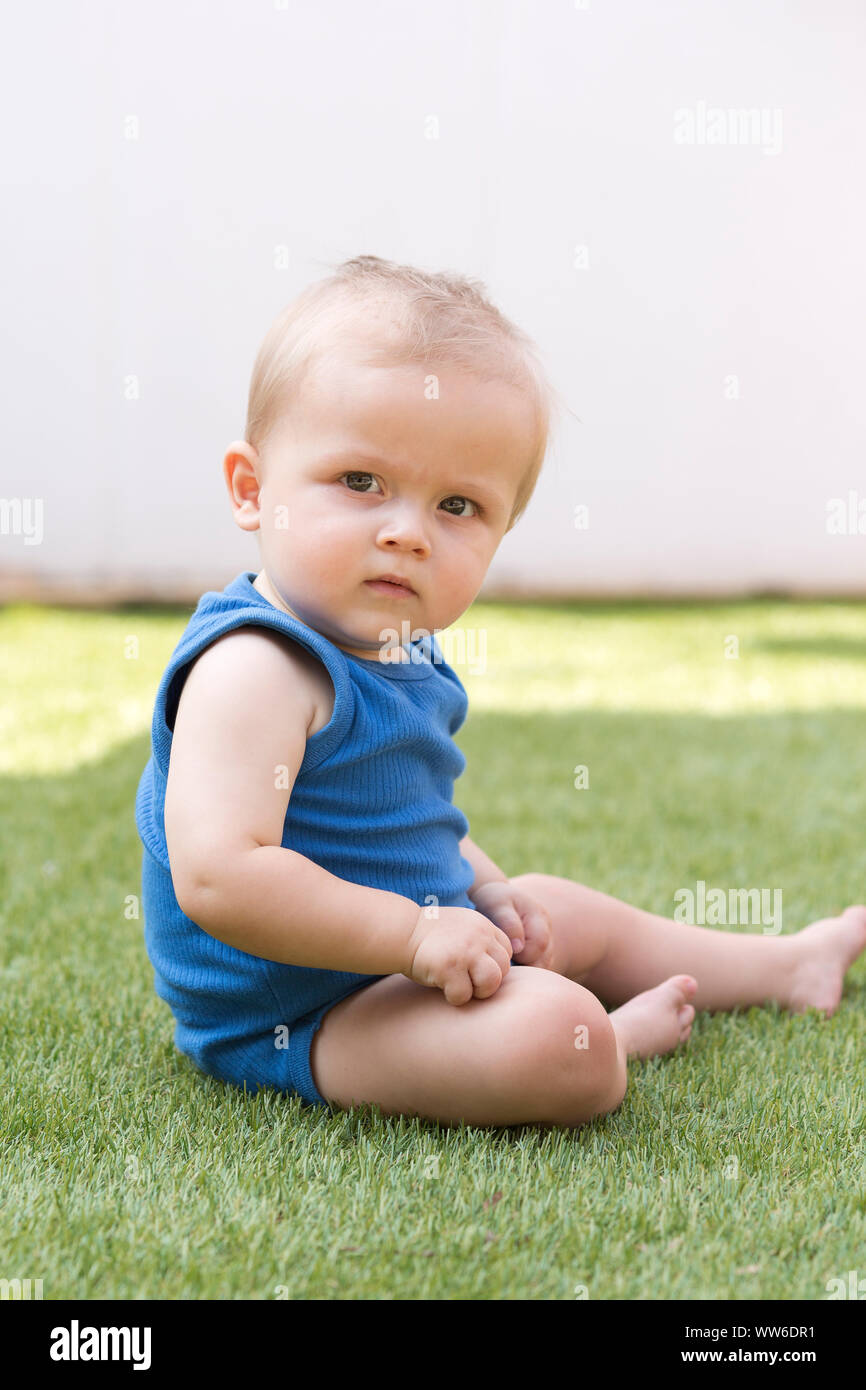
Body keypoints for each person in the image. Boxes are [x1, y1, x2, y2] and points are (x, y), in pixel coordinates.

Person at [135, 254, 866, 1128]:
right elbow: (222, 877)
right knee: (557, 1038)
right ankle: (609, 1040)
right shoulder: (255, 668)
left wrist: (481, 890)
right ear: (254, 491)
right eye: (360, 483)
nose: (406, 533)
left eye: (458, 507)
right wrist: (411, 938)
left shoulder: (402, 651)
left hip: (414, 952)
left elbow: (408, 823)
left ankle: (784, 965)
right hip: (300, 1012)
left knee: (553, 906)